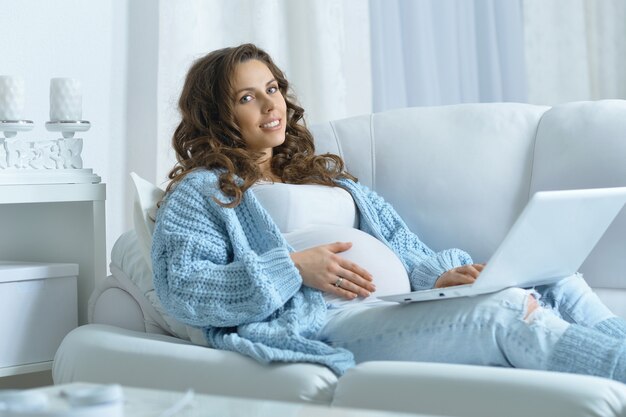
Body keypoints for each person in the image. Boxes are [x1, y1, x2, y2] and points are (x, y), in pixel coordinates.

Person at [152, 43, 626, 381]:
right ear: (218, 115)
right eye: (247, 97)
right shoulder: (206, 190)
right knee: (503, 313)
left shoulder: (324, 175)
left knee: (556, 278)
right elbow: (185, 290)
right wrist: (293, 268)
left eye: (272, 88)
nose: (270, 105)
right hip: (330, 322)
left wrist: (437, 277)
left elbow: (402, 247)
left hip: (395, 307)